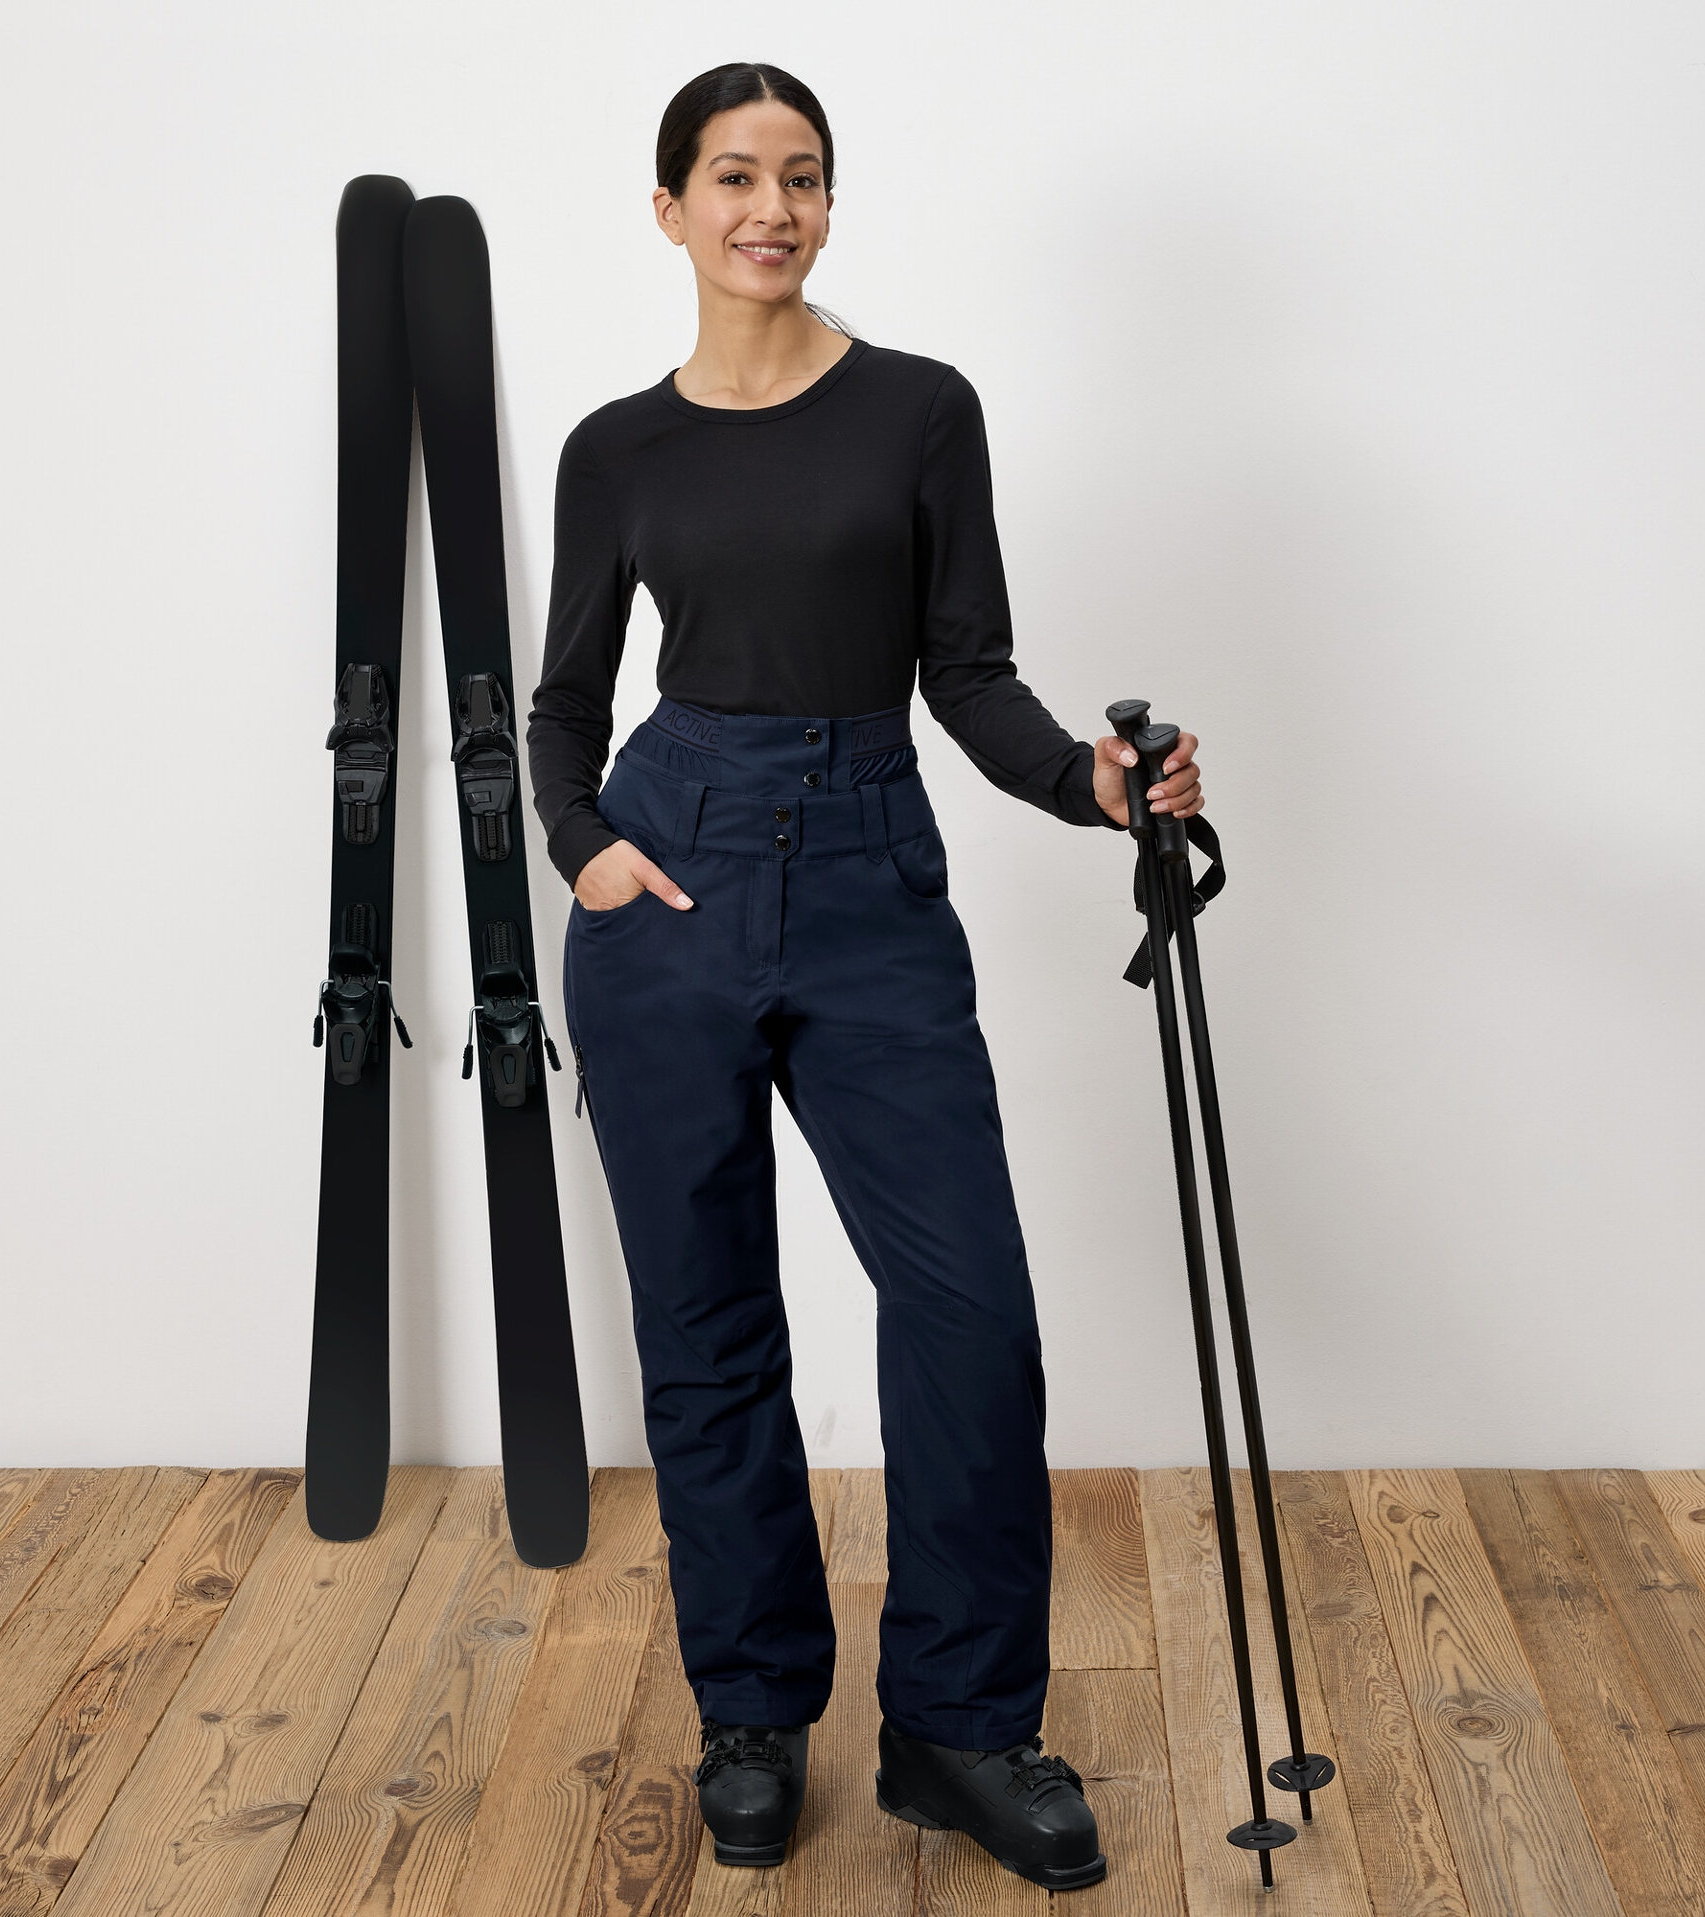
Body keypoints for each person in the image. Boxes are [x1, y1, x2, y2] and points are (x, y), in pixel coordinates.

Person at [526, 61, 1205, 1892]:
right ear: (666, 206)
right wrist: (585, 845)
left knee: (969, 1309)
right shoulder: (617, 448)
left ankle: (960, 1730)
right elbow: (564, 705)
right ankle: (753, 1709)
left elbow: (967, 675)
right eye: (734, 176)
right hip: (665, 870)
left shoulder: (916, 410)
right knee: (708, 1328)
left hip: (869, 873)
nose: (772, 207)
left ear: (831, 205)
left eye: (803, 177)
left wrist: (1090, 779)